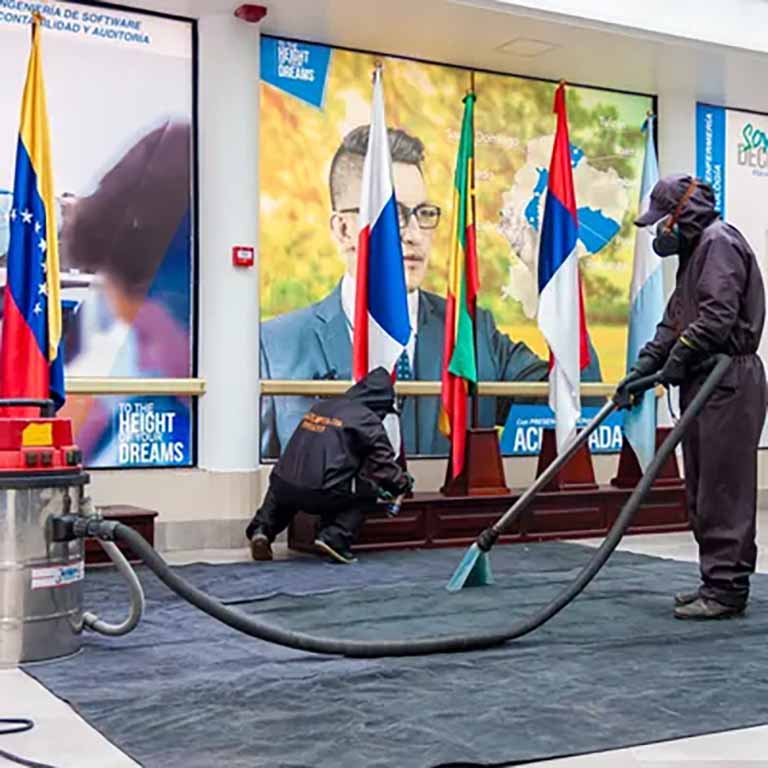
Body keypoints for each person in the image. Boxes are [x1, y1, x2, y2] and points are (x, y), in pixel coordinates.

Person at [260, 124, 603, 459]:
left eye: (423, 214)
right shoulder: (277, 348)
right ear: (344, 230)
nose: (414, 234)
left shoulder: (471, 333)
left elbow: (579, 402)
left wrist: (550, 278)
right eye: (393, 214)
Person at [624, 173, 767, 619]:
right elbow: (675, 320)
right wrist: (644, 367)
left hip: (727, 379)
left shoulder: (718, 243)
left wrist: (679, 358)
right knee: (703, 489)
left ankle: (726, 589)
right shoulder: (695, 254)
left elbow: (717, 317)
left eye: (662, 220)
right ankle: (714, 580)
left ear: (682, 213)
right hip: (704, 381)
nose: (659, 230)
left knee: (723, 489)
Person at [247, 367, 414, 564]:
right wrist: (401, 482)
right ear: (380, 403)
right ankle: (335, 537)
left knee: (285, 487)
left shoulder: (322, 406)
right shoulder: (367, 420)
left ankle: (261, 531)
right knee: (367, 491)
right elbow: (383, 466)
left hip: (283, 482)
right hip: (322, 492)